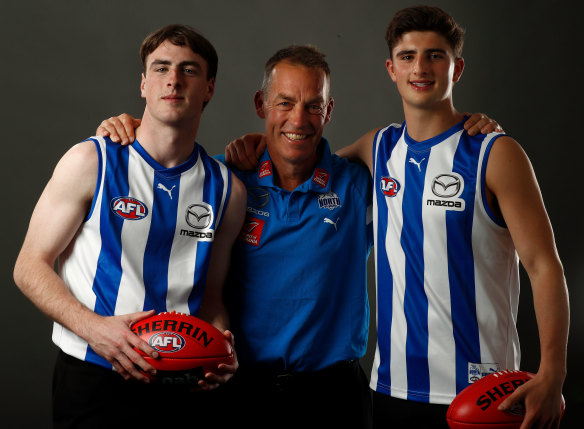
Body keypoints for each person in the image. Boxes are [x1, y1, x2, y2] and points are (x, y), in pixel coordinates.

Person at [334, 6, 569, 428]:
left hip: (481, 392)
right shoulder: (380, 147)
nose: (420, 68)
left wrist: (553, 371)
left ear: (456, 67)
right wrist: (262, 142)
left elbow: (544, 265)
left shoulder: (494, 153)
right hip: (391, 388)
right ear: (391, 68)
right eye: (408, 57)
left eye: (435, 55)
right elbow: (305, 168)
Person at [13, 24, 246, 428]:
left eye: (189, 70)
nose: (173, 79)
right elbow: (29, 266)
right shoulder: (92, 161)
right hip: (94, 374)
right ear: (143, 84)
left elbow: (210, 297)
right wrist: (96, 329)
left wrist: (220, 348)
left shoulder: (228, 190)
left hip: (183, 384)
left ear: (209, 88)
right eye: (161, 68)